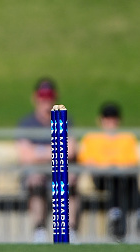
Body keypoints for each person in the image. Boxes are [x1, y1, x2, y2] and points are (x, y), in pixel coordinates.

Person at [15, 78, 80, 243]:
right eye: (42, 95)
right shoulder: (26, 123)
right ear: (35, 97)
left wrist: (38, 152)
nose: (45, 99)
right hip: (37, 171)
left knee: (69, 179)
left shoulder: (64, 118)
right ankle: (40, 229)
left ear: (55, 96)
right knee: (35, 178)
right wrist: (56, 150)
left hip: (57, 170)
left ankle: (69, 229)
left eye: (49, 95)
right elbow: (24, 155)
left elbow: (70, 151)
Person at [78, 102, 139, 242]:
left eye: (113, 118)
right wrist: (109, 167)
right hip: (102, 178)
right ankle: (119, 216)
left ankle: (123, 216)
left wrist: (115, 168)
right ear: (101, 120)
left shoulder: (127, 138)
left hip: (124, 178)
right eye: (107, 118)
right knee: (114, 179)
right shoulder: (92, 139)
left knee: (123, 178)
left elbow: (131, 163)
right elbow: (88, 162)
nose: (110, 121)